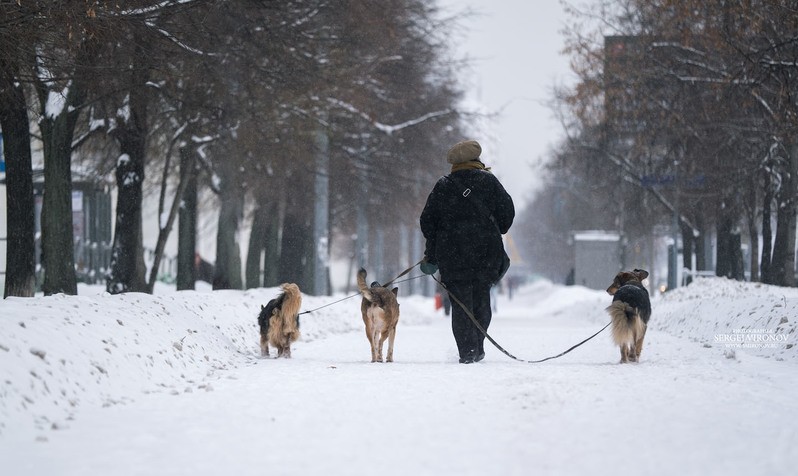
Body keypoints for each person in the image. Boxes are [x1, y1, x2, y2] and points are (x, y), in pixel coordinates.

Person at [419, 140, 515, 363]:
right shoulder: (489, 182)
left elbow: (428, 222)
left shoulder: (443, 186)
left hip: (452, 257)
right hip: (486, 254)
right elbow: (507, 214)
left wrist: (431, 254)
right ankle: (478, 346)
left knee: (460, 304)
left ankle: (467, 351)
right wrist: (493, 228)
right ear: (476, 160)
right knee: (481, 298)